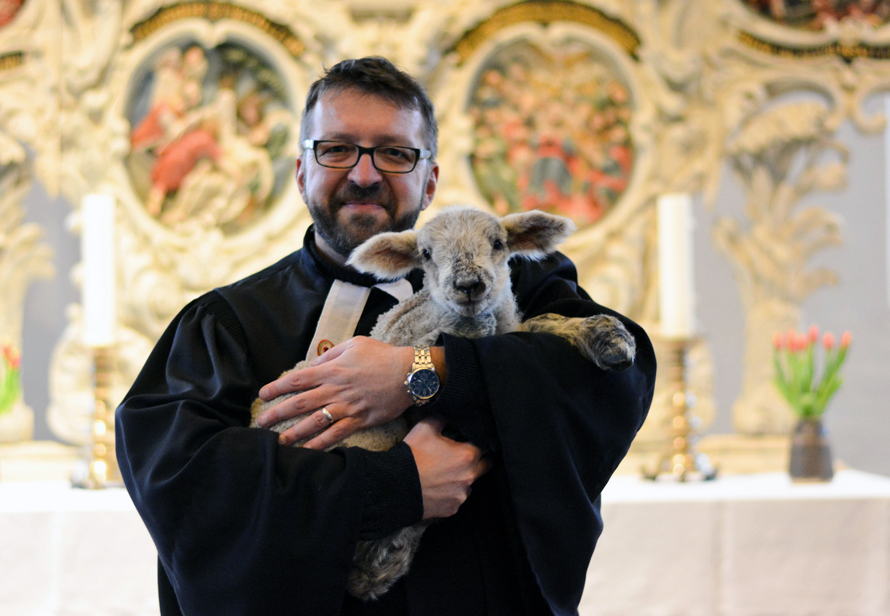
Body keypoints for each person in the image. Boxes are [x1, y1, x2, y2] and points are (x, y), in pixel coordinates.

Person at [116, 56, 656, 616]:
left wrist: (420, 373)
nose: (365, 174)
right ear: (301, 171)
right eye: (336, 149)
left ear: (430, 180)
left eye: (395, 153)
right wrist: (395, 483)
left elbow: (611, 379)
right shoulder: (228, 323)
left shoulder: (513, 282)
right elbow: (188, 484)